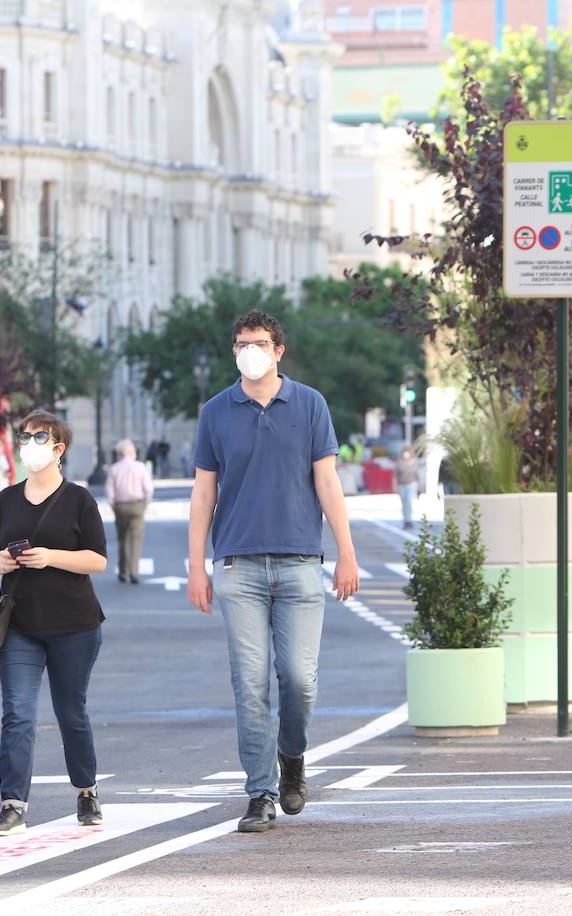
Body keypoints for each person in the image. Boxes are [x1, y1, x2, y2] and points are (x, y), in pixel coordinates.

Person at [187, 310, 361, 834]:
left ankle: (294, 756)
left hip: (301, 563)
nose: (249, 351)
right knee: (250, 683)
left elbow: (328, 484)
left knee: (299, 680)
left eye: (259, 342)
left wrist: (347, 554)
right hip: (237, 566)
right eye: (241, 343)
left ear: (279, 349)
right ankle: (260, 792)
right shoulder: (216, 412)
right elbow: (203, 494)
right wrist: (197, 567)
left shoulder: (309, 404)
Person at [0, 409, 109, 837]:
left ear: (58, 449)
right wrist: (2, 561)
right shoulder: (6, 500)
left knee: (71, 711)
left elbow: (97, 559)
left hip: (75, 624)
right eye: (24, 436)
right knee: (17, 713)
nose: (29, 444)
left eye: (39, 438)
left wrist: (50, 556)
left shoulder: (79, 500)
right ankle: (13, 804)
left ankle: (87, 790)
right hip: (19, 625)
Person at [106, 438, 153, 584]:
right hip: (137, 505)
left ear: (119, 454)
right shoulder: (140, 467)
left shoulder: (114, 469)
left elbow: (110, 492)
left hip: (120, 506)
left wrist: (113, 506)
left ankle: (122, 571)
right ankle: (134, 572)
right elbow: (149, 489)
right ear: (132, 452)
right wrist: (145, 504)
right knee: (136, 539)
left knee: (122, 540)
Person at [395, 446, 420, 530]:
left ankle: (409, 520)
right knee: (404, 503)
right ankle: (405, 520)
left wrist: (418, 488)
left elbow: (416, 475)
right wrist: (395, 486)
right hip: (401, 485)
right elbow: (395, 475)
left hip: (411, 484)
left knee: (409, 502)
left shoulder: (413, 463)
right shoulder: (399, 463)